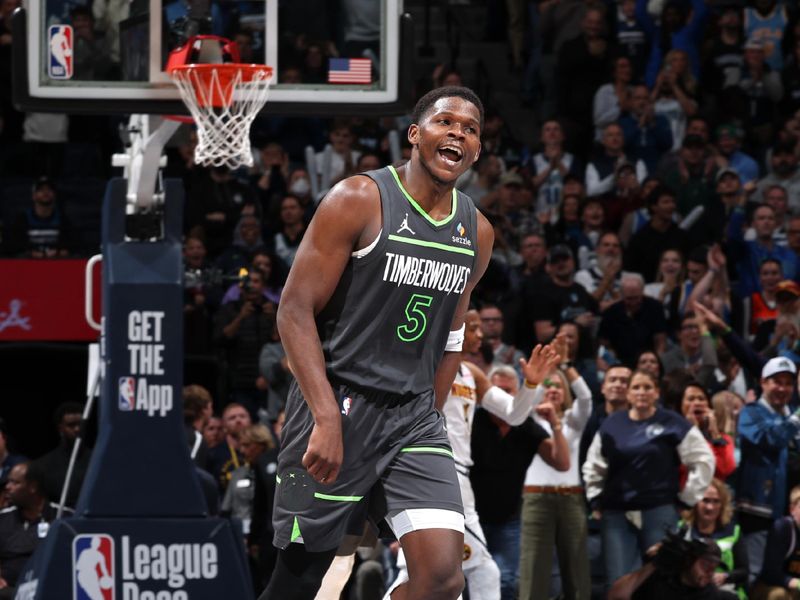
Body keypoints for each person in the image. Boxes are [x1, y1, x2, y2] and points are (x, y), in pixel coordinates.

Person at [260, 86, 493, 600]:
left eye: (471, 129)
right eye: (445, 122)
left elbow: (452, 333)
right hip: (335, 406)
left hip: (411, 417)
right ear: (415, 134)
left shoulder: (477, 231)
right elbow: (294, 312)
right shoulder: (358, 198)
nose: (458, 132)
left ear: (477, 150)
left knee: (441, 580)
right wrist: (324, 418)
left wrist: (428, 414)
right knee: (300, 578)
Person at [394, 312, 569, 600]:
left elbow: (514, 415)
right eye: (473, 326)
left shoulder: (472, 374)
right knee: (484, 571)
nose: (479, 333)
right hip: (437, 471)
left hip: (458, 475)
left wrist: (532, 385)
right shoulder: (427, 363)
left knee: (417, 573)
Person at [582, 369, 715, 586]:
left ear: (657, 393)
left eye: (647, 387)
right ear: (628, 393)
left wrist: (686, 499)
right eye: (636, 387)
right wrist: (595, 497)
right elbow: (594, 464)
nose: (641, 392)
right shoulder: (612, 424)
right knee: (619, 581)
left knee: (662, 579)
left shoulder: (673, 423)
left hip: (659, 510)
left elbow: (704, 460)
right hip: (617, 513)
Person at [518, 336, 594, 600]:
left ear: (565, 394)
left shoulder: (573, 421)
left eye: (558, 387)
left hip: (571, 497)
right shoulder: (529, 420)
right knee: (533, 567)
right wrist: (546, 372)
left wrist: (567, 365)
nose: (552, 390)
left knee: (576, 568)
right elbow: (530, 397)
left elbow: (585, 398)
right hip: (536, 497)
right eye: (548, 386)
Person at [737, 357, 800, 586]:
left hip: (786, 513)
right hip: (758, 509)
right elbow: (772, 438)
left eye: (788, 383)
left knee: (780, 577)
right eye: (777, 382)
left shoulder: (790, 415)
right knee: (753, 575)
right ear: (763, 382)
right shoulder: (751, 413)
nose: (782, 389)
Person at [0, 462, 72, 599]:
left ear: (32, 487)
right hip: (7, 591)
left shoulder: (63, 517)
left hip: (49, 589)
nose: (7, 487)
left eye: (15, 483)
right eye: (8, 482)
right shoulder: (2, 519)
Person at [607, 532, 738, 599]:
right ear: (689, 560)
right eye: (705, 564)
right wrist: (655, 563)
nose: (710, 571)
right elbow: (616, 596)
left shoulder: (710, 595)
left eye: (714, 566)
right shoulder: (660, 581)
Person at [680, 479, 748, 598]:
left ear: (722, 505)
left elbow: (744, 571)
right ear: (696, 502)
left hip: (724, 591)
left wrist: (725, 577)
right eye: (705, 500)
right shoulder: (682, 529)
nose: (710, 507)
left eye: (716, 501)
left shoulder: (734, 531)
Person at [31, 402, 89, 508]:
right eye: (71, 425)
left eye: (80, 424)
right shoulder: (43, 466)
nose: (77, 429)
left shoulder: (96, 461)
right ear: (60, 428)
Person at [4, 176, 74, 258]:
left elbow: (71, 247)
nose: (46, 192)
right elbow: (14, 248)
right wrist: (31, 254)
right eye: (41, 190)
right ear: (33, 196)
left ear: (54, 195)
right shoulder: (22, 220)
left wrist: (58, 252)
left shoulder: (63, 220)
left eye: (49, 189)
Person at [751, 485, 800, 599]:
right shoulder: (783, 528)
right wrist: (796, 583)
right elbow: (770, 574)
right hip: (768, 586)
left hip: (794, 589)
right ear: (792, 509)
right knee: (779, 595)